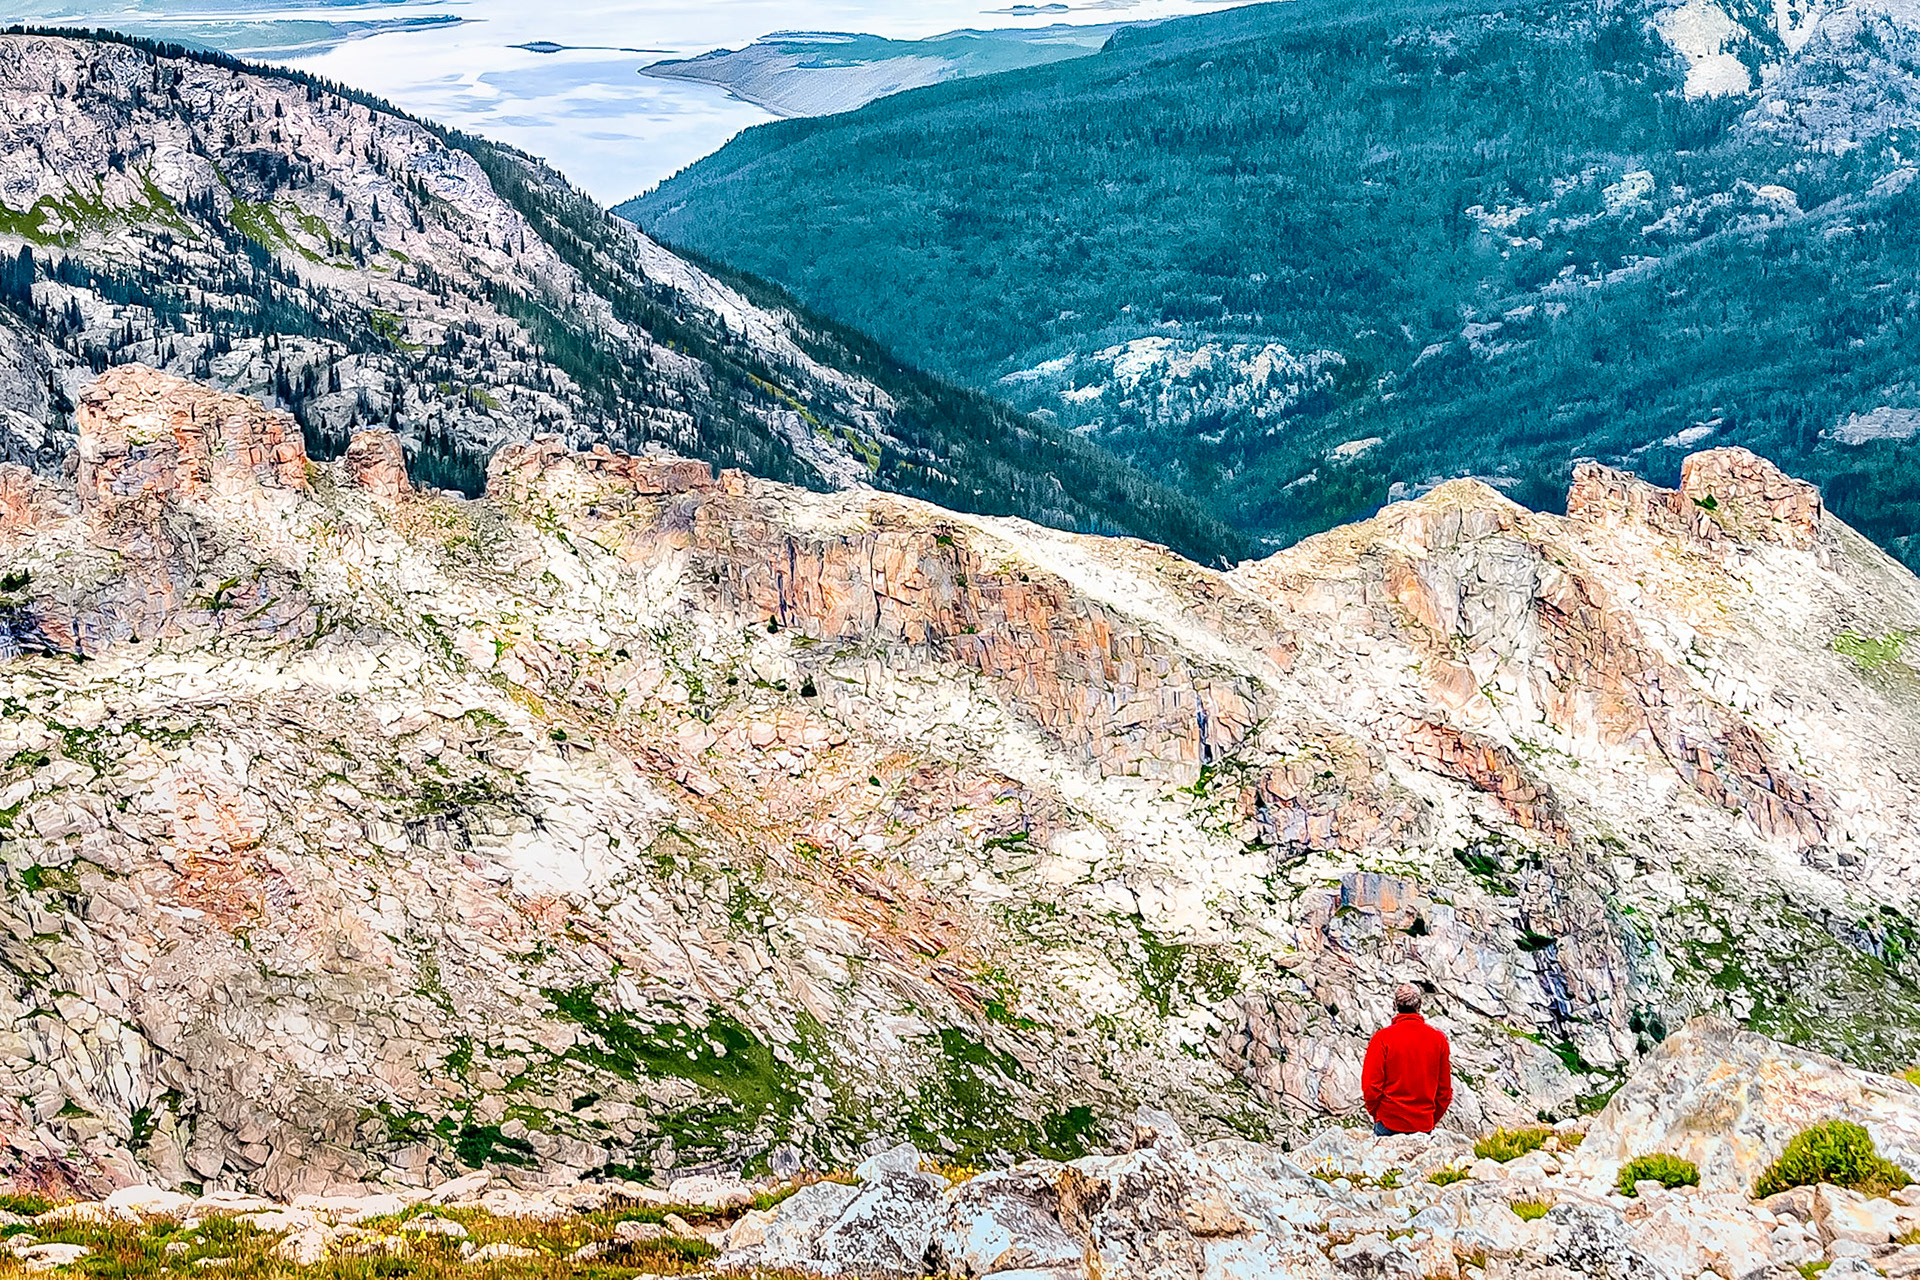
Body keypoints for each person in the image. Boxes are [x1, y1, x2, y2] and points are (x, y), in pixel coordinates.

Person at [1361, 984, 1453, 1135]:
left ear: (1395, 1005)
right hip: (1423, 1125)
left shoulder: (1382, 1038)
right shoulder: (1438, 1040)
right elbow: (1444, 1092)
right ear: (1420, 1005)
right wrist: (1430, 1118)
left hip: (1388, 1123)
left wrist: (1378, 1114)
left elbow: (1371, 1086)